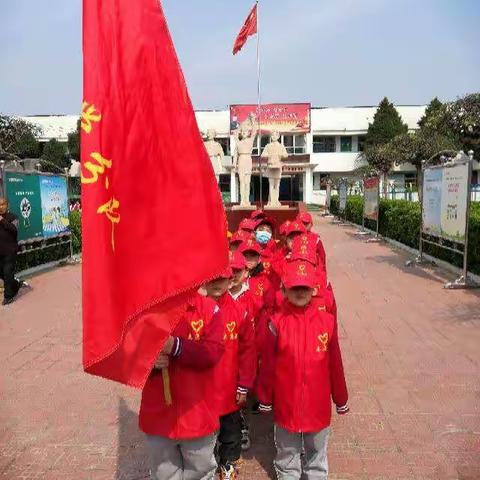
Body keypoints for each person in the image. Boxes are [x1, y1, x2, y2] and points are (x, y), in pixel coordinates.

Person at [257, 260, 349, 480]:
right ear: (284, 290)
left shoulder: (326, 322)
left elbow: (335, 362)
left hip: (317, 406)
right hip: (286, 405)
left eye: (304, 287)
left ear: (314, 289)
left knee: (316, 456)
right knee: (287, 456)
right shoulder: (276, 323)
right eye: (294, 287)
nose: (300, 292)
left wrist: (341, 398)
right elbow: (268, 364)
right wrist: (265, 398)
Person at [139, 292, 225, 480]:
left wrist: (176, 346)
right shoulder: (145, 311)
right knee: (163, 472)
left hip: (197, 413)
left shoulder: (209, 309)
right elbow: (129, 355)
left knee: (200, 470)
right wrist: (148, 361)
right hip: (159, 416)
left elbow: (213, 352)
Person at [208, 260, 256, 480]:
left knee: (230, 431)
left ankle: (228, 463)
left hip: (229, 389)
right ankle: (208, 464)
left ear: (231, 279)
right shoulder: (195, 310)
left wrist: (244, 385)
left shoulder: (240, 312)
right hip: (202, 390)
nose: (217, 283)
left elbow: (248, 353)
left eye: (222, 278)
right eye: (212, 278)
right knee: (205, 433)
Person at [0, 197, 21, 306]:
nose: (1, 207)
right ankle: (15, 284)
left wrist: (2, 220)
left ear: (7, 205)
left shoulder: (14, 217)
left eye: (3, 204)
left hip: (10, 251)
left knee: (8, 273)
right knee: (3, 274)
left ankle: (8, 297)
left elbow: (14, 229)